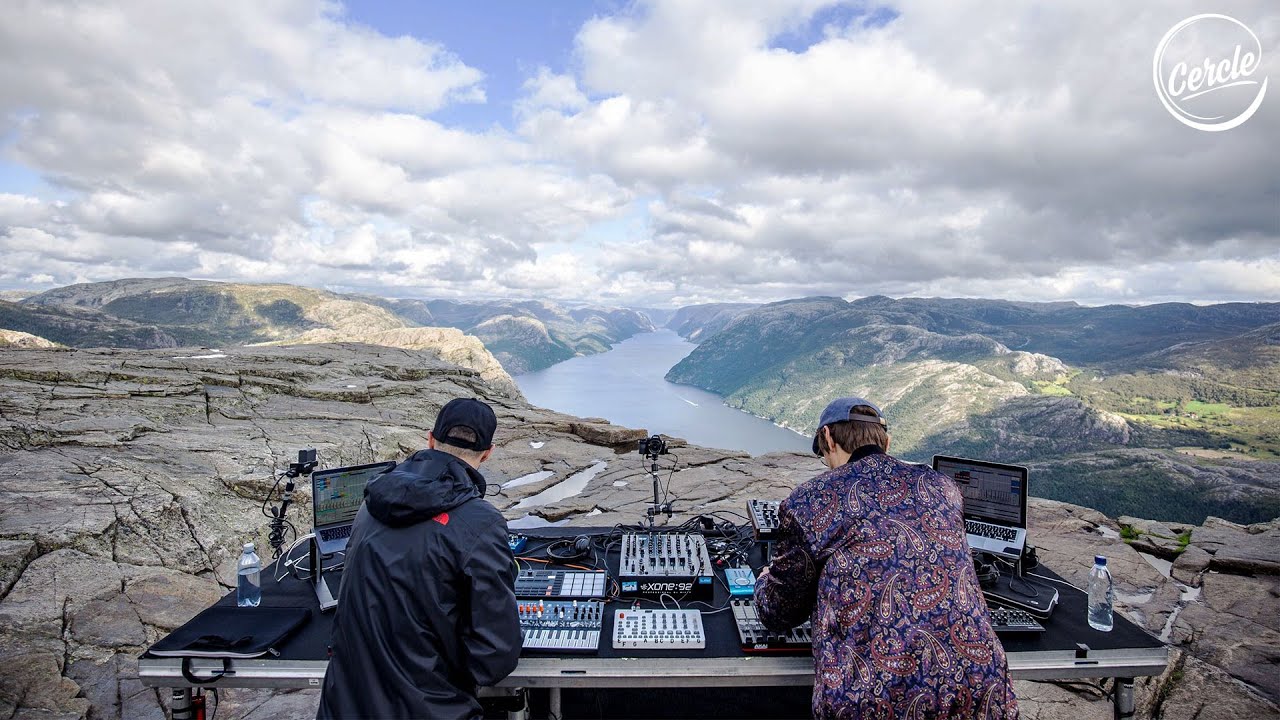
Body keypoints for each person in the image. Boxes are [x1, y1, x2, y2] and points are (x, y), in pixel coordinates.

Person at [754, 397, 1018, 719]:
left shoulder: (810, 501)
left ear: (827, 438)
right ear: (887, 442)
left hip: (874, 697)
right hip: (981, 688)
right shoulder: (943, 487)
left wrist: (766, 577)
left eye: (823, 453)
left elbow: (777, 611)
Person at [317, 398, 521, 720]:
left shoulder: (370, 501)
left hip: (343, 707)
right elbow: (494, 657)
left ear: (430, 439)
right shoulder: (481, 523)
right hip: (433, 711)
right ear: (487, 453)